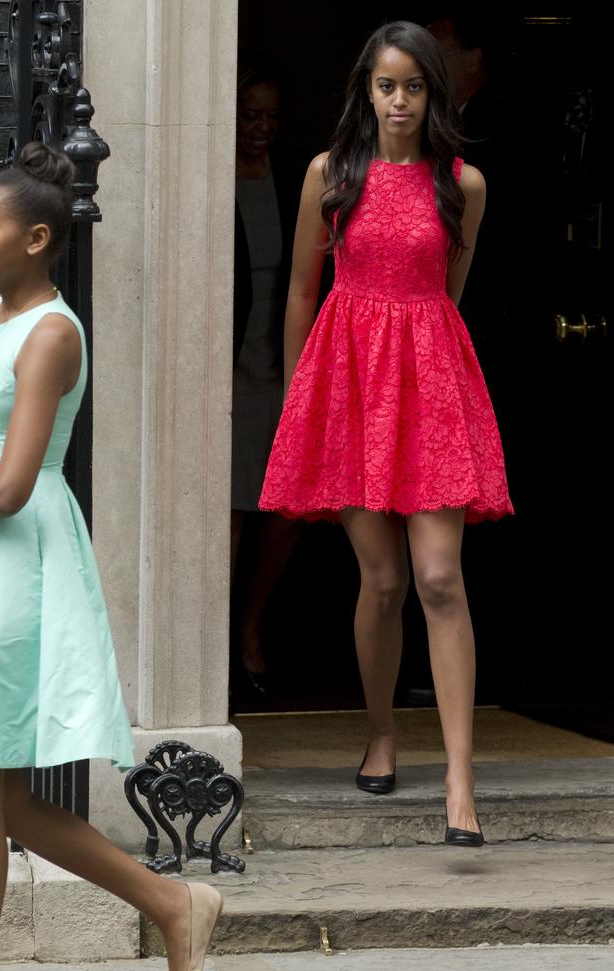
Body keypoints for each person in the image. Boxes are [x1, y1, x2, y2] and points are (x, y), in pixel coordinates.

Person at [0, 142, 222, 971]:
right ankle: (170, 904)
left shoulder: (53, 334)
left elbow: (14, 481)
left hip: (23, 561)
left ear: (38, 238)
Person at [259, 21, 513, 846]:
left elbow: (451, 291)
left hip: (432, 384)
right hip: (347, 387)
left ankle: (460, 777)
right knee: (383, 582)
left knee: (439, 577)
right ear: (364, 91)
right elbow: (301, 292)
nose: (399, 101)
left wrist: (426, 369)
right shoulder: (328, 176)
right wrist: (304, 404)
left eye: (414, 86)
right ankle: (380, 731)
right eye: (386, 85)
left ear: (435, 93)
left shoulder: (462, 184)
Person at [231, 55, 303, 700]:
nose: (261, 128)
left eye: (270, 117)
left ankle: (251, 625)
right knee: (230, 508)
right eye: (249, 115)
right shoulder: (211, 176)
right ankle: (219, 641)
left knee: (284, 508)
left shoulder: (291, 176)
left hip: (278, 361)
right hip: (226, 365)